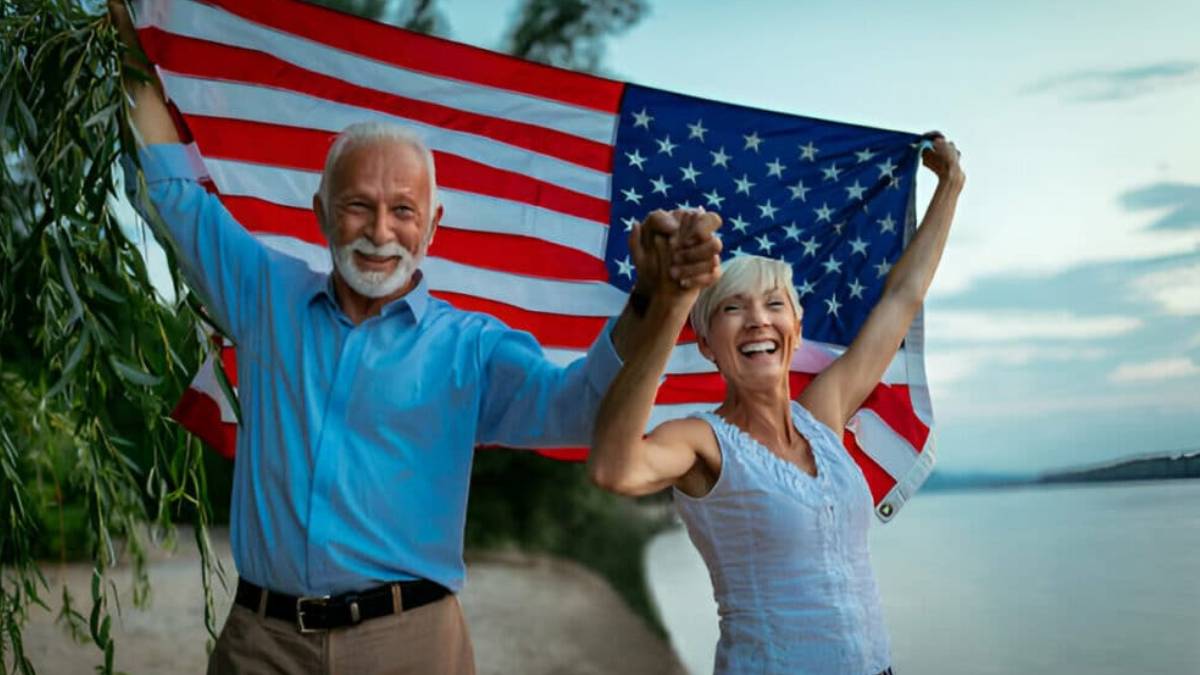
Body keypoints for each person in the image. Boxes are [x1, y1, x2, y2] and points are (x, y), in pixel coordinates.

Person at [107, 3, 722, 673]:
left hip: (407, 644)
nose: (380, 229)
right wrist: (124, 34)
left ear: (433, 226)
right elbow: (174, 191)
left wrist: (649, 302)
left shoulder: (472, 347)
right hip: (263, 642)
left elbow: (576, 406)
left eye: (403, 210)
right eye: (358, 205)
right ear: (322, 215)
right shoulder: (264, 295)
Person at [588, 136, 964, 674]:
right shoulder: (701, 442)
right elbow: (613, 467)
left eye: (774, 304)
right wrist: (672, 306)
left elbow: (903, 297)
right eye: (733, 309)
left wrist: (949, 187)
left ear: (796, 325)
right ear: (708, 343)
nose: (759, 319)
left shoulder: (825, 416)